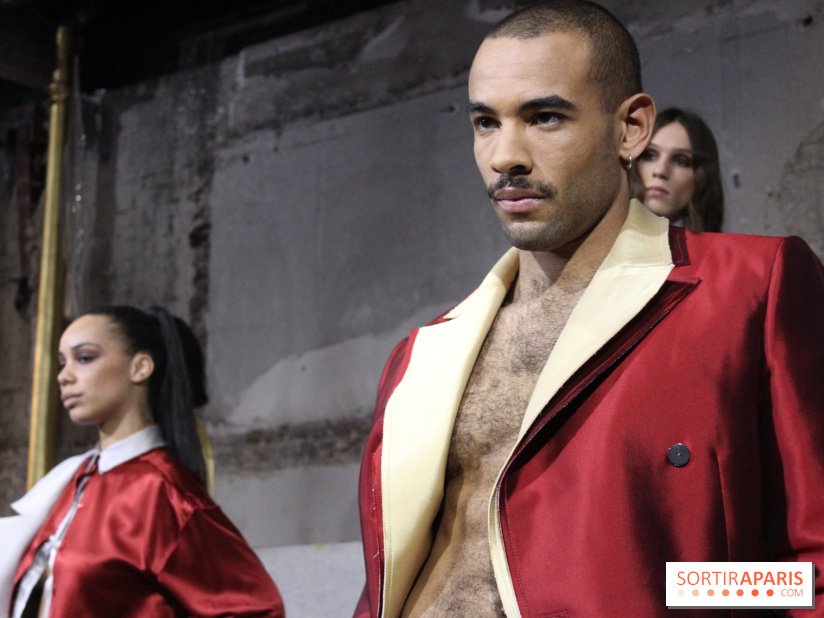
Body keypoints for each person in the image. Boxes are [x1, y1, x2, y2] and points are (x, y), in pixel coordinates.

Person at [354, 1, 824, 617]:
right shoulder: (420, 355)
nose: (505, 157)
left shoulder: (752, 289)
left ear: (630, 129)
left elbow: (808, 572)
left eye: (544, 117)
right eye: (485, 123)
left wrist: (674, 590)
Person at [1, 305, 285, 617]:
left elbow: (255, 609)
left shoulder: (163, 491)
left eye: (84, 358)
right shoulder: (74, 482)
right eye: (61, 363)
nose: (64, 376)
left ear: (140, 367)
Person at [635, 107, 724, 232]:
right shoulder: (601, 245)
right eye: (650, 155)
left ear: (703, 178)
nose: (660, 171)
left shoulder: (722, 250)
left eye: (681, 161)